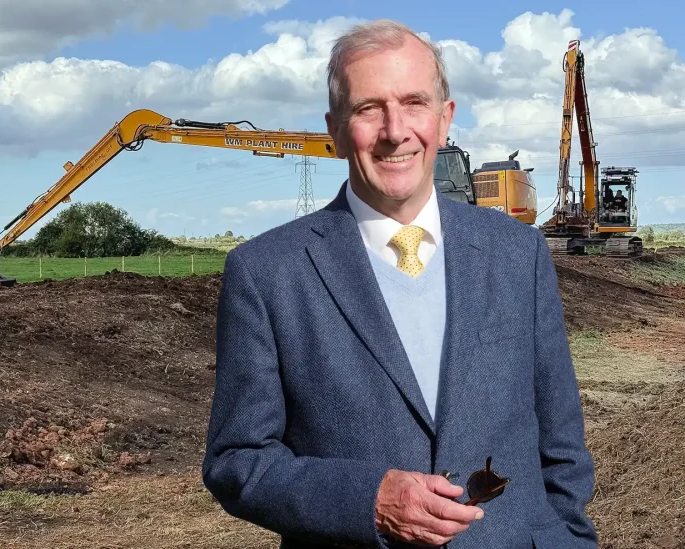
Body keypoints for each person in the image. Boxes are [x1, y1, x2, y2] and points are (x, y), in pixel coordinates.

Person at [201, 19, 597, 549]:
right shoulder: (267, 272)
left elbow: (561, 442)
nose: (394, 131)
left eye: (414, 103)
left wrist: (567, 539)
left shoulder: (516, 252)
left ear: (444, 117)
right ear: (336, 130)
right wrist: (367, 499)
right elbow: (237, 461)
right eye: (368, 108)